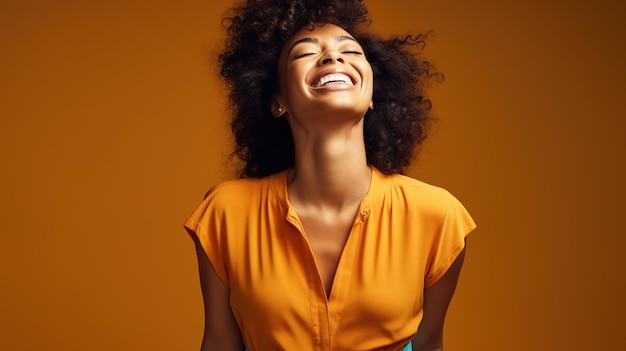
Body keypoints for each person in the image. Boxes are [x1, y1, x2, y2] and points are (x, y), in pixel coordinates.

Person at [184, 0, 476, 350]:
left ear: (371, 96)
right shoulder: (226, 212)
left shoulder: (436, 215)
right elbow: (219, 343)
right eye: (304, 53)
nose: (333, 58)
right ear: (278, 100)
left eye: (350, 50)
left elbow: (429, 344)